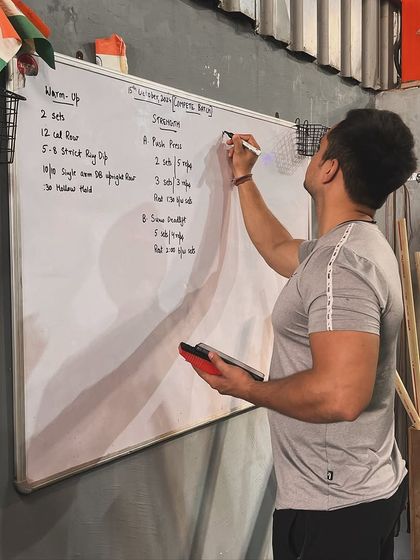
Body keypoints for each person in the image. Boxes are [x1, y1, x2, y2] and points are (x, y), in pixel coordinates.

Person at [188, 108, 417, 559]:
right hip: (354, 495)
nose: (312, 157)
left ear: (329, 169)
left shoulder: (342, 266)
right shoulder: (351, 248)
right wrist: (243, 178)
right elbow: (277, 247)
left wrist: (247, 388)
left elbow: (340, 397)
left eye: (320, 148)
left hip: (335, 510)